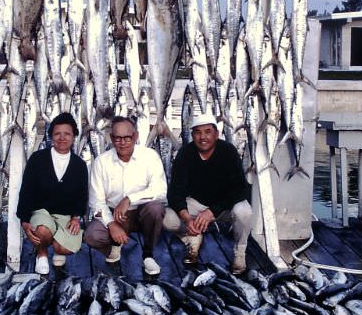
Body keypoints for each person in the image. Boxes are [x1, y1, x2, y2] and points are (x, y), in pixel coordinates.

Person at [164, 112, 253, 274]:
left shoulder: (229, 151)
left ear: (216, 134)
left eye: (207, 132)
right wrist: (186, 218)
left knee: (244, 211)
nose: (202, 137)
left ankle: (240, 252)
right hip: (197, 203)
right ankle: (191, 237)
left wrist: (212, 212)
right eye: (197, 132)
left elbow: (240, 189)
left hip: (224, 206)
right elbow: (175, 193)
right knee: (168, 220)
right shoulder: (185, 153)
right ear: (192, 135)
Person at [84, 116, 167, 276]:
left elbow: (161, 190)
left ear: (135, 136)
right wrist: (111, 225)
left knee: (156, 208)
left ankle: (148, 255)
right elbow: (96, 202)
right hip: (114, 214)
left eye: (127, 137)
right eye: (117, 138)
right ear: (111, 138)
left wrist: (129, 199)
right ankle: (114, 248)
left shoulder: (150, 156)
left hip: (142, 213)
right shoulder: (101, 162)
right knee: (92, 236)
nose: (122, 142)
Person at [17, 112, 88, 275]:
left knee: (66, 248)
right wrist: (25, 221)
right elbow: (26, 191)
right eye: (57, 134)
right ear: (51, 136)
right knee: (42, 230)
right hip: (41, 214)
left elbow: (81, 194)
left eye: (67, 134)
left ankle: (57, 245)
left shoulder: (80, 165)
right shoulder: (37, 159)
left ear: (74, 136)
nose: (62, 138)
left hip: (65, 217)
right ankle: (41, 254)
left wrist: (76, 217)